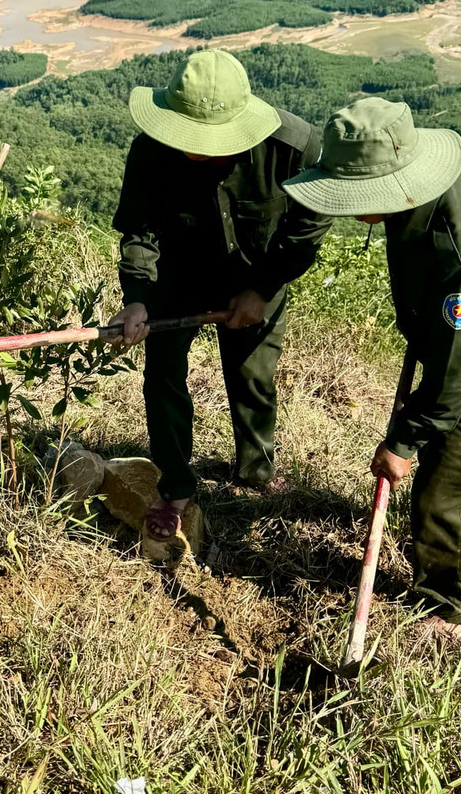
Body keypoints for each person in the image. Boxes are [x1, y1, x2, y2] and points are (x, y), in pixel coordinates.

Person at [282, 97, 461, 637]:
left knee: (441, 496)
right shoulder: (420, 182)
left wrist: (404, 443)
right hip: (460, 348)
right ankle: (459, 528)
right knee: (443, 472)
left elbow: (459, 373)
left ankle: (449, 607)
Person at [109, 49, 333, 541]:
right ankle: (176, 484)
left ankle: (255, 469)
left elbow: (309, 224)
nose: (198, 150)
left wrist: (264, 288)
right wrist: (139, 296)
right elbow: (139, 231)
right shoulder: (150, 151)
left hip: (258, 275)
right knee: (162, 376)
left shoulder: (292, 146)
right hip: (175, 277)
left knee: (253, 374)